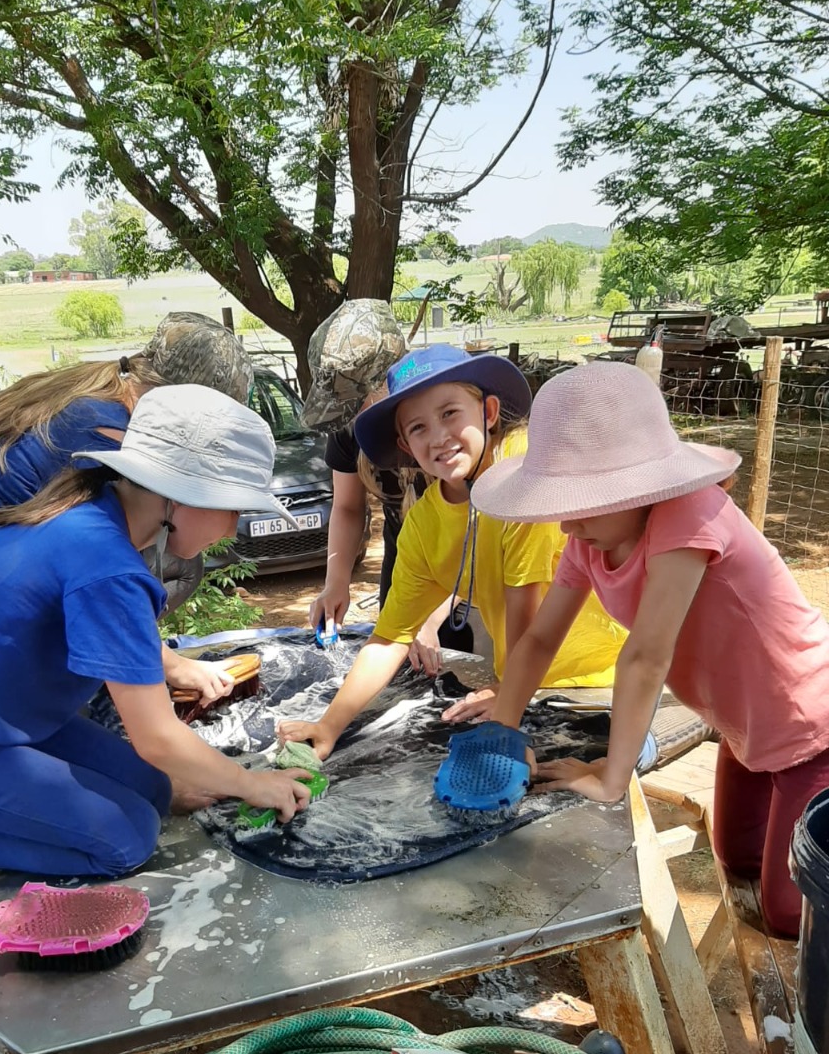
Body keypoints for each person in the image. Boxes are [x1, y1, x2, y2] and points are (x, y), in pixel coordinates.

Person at [0, 387, 311, 875]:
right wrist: (251, 784)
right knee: (126, 839)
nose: (232, 528)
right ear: (183, 494)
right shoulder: (107, 566)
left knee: (157, 791)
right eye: (236, 508)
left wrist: (212, 773)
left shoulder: (92, 509)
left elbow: (122, 661)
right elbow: (157, 738)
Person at [471, 360, 829, 937]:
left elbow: (645, 656)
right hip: (741, 726)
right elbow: (538, 637)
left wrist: (612, 776)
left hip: (809, 721)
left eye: (581, 501)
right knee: (735, 863)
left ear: (637, 487)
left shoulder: (688, 514)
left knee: (793, 912)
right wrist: (500, 738)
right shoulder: (590, 538)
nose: (566, 526)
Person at [278, 345, 626, 760]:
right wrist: (329, 725)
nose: (439, 437)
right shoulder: (424, 526)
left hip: (597, 682)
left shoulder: (524, 469)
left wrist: (509, 700)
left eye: (450, 414)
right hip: (520, 687)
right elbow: (389, 638)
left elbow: (525, 608)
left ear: (489, 412)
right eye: (419, 428)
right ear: (405, 445)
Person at [0, 313, 252, 705]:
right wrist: (170, 666)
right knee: (170, 553)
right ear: (181, 403)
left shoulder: (100, 392)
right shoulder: (107, 438)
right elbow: (103, 574)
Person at [301, 300, 474, 670]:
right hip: (406, 562)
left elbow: (480, 541)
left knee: (460, 677)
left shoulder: (448, 435)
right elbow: (348, 507)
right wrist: (336, 582)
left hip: (472, 574)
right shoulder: (348, 427)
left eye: (357, 405)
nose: (352, 421)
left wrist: (429, 617)